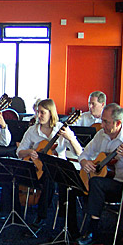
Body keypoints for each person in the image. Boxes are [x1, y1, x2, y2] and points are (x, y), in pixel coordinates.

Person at [16, 98, 83, 237]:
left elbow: (80, 153)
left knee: (54, 178)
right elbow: (19, 152)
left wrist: (70, 138)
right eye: (37, 112)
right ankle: (58, 222)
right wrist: (30, 152)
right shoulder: (32, 130)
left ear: (51, 113)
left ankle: (43, 219)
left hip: (60, 172)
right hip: (37, 170)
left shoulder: (61, 129)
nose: (38, 115)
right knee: (47, 177)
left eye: (42, 112)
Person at [78, 103, 123, 245]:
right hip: (108, 182)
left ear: (118, 123)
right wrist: (84, 162)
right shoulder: (101, 134)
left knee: (95, 183)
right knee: (74, 183)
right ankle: (72, 230)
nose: (102, 124)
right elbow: (84, 154)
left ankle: (92, 230)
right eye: (102, 120)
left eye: (105, 121)